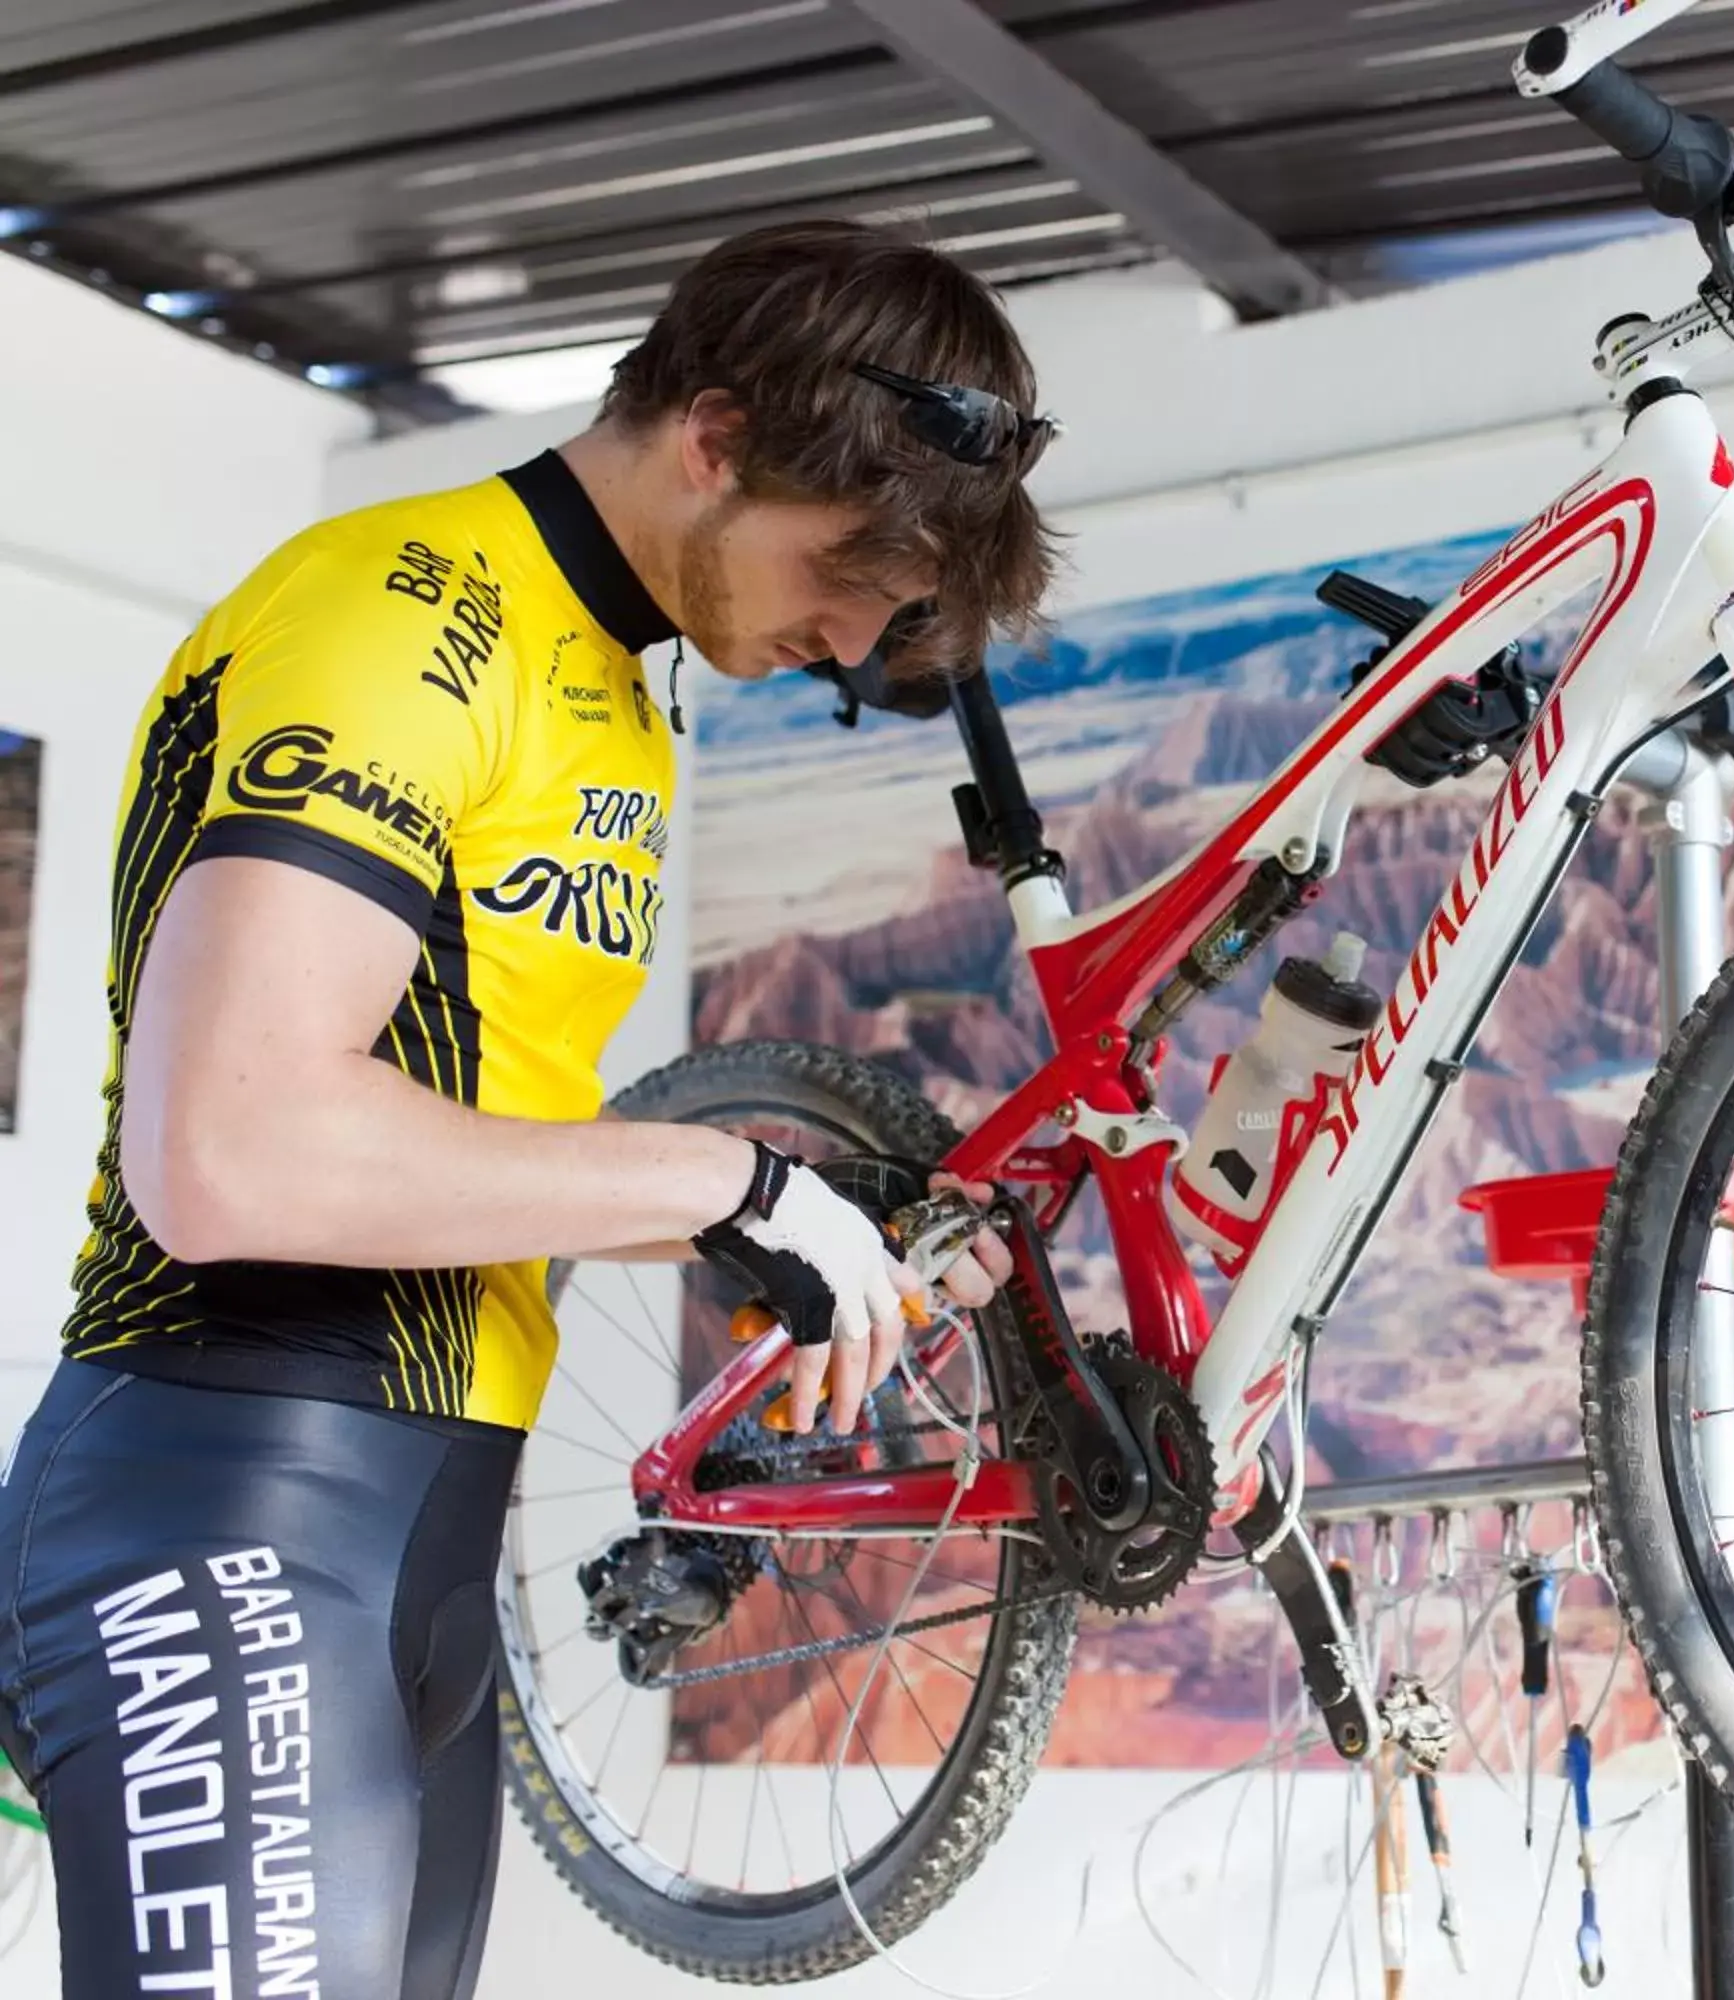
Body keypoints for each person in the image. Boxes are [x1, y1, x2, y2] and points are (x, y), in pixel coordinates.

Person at [0, 219, 1057, 1999]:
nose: (857, 634)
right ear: (714, 439)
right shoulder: (396, 611)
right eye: (845, 566)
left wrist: (796, 1225)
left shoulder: (625, 703)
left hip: (421, 1540)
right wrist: (724, 1179)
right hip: (229, 1488)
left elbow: (469, 1129)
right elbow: (229, 1146)